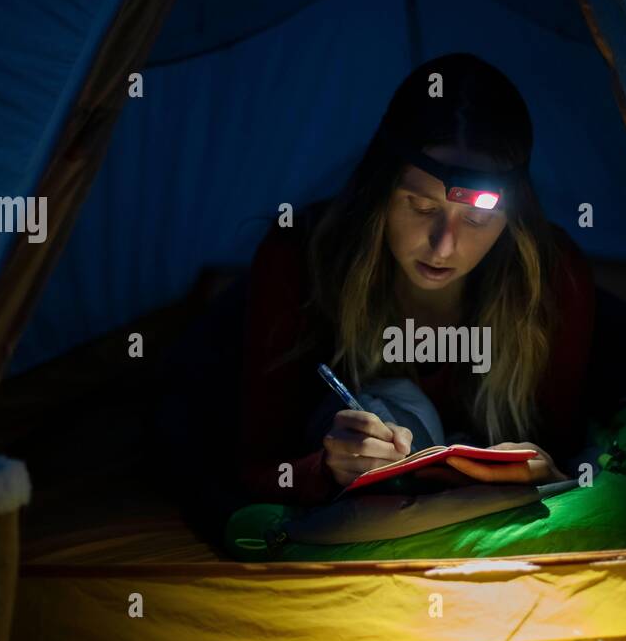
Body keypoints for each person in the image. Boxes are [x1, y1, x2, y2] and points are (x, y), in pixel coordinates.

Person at [237, 53, 595, 505]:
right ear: (378, 192)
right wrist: (327, 468)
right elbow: (253, 463)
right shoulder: (300, 260)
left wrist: (547, 474)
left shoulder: (552, 280)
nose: (443, 246)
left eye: (478, 220)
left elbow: (567, 453)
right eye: (421, 207)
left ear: (513, 219)